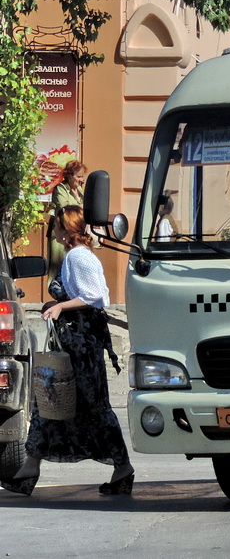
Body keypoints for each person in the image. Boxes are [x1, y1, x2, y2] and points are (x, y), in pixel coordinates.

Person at [1, 205, 134, 497]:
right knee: (50, 401)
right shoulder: (80, 256)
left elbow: (96, 297)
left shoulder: (77, 256)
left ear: (68, 229)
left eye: (58, 226)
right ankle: (29, 470)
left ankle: (122, 468)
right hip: (77, 341)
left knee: (88, 405)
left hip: (81, 346)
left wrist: (61, 305)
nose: (55, 232)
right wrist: (58, 306)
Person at [47, 159, 87, 280]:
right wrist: (83, 208)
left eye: (82, 176)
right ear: (69, 176)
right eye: (79, 176)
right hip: (60, 233)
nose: (82, 180)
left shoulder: (79, 190)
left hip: (75, 233)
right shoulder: (61, 188)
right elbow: (64, 208)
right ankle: (58, 292)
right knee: (58, 266)